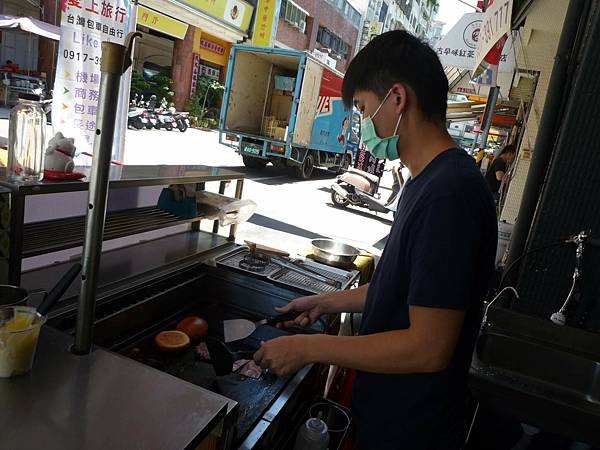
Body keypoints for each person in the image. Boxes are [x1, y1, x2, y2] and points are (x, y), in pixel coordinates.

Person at [253, 30, 497, 450]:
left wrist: (311, 348)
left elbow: (428, 347)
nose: (365, 125)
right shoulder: (427, 181)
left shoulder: (449, 195)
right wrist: (325, 302)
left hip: (412, 426)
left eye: (365, 109)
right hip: (391, 411)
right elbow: (403, 288)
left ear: (398, 100)